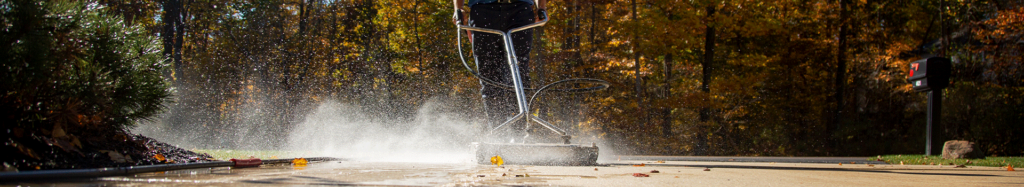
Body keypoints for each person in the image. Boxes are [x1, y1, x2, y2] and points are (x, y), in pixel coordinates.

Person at [453, 0, 547, 143]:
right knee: (489, 78)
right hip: (483, 11)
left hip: (519, 11)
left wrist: (541, 8)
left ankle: (520, 135)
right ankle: (499, 135)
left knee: (518, 75)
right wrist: (458, 9)